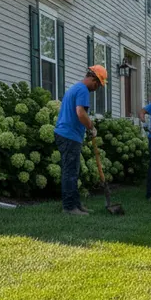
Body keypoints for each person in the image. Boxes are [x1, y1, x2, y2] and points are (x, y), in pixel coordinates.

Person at [54, 65, 107, 215]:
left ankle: (76, 204)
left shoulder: (75, 88)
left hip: (67, 134)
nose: (97, 88)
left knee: (73, 171)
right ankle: (69, 207)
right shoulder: (83, 90)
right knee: (70, 172)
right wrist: (91, 127)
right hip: (69, 135)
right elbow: (80, 112)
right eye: (98, 84)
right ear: (93, 79)